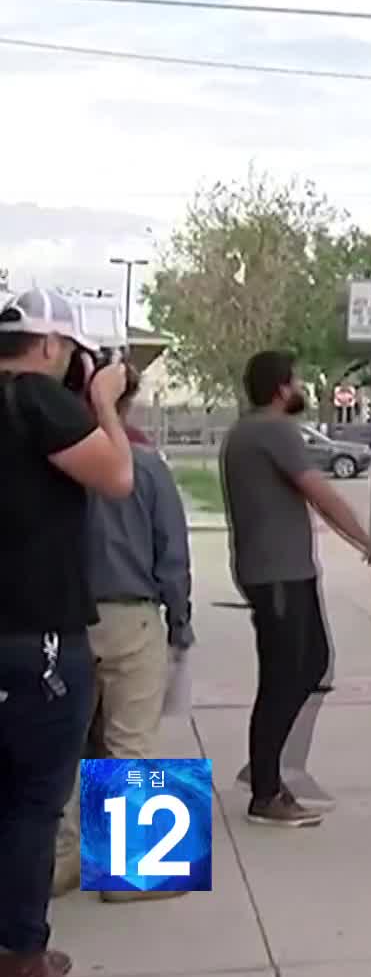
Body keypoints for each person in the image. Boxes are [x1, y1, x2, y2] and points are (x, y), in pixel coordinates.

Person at [1, 288, 135, 977]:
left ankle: (15, 947)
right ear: (52, 347)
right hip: (40, 635)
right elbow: (117, 477)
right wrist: (104, 400)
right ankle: (20, 961)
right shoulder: (39, 401)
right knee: (32, 803)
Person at [220, 350, 371, 829]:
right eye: (297, 379)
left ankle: (269, 777)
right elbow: (321, 494)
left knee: (310, 664)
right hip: (277, 574)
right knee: (286, 676)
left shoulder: (247, 432)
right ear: (282, 388)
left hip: (282, 571)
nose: (301, 386)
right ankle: (265, 790)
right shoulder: (273, 430)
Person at [52, 365, 195, 903]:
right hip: (132, 616)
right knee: (130, 742)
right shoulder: (148, 468)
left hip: (66, 617)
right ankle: (132, 870)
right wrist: (180, 622)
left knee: (64, 747)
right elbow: (172, 555)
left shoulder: (57, 466)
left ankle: (62, 859)